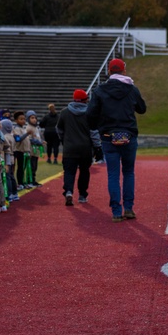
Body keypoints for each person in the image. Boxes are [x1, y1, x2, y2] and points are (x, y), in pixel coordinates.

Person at [87, 58, 147, 222]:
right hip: (128, 135)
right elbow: (142, 109)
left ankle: (116, 211)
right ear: (124, 71)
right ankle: (128, 208)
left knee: (113, 174)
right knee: (128, 172)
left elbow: (91, 114)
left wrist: (97, 127)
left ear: (109, 71)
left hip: (108, 136)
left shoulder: (100, 90)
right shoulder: (131, 89)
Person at [58, 89, 100, 206]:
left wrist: (64, 139)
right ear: (85, 100)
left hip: (69, 147)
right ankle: (82, 195)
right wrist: (97, 146)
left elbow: (59, 129)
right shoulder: (89, 113)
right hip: (85, 148)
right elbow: (93, 132)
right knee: (84, 171)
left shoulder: (65, 112)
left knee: (69, 171)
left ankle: (69, 191)